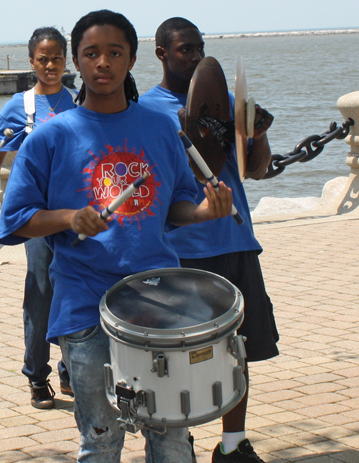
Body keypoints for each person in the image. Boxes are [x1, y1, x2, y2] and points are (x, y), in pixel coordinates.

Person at [0, 9, 234, 463]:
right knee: (102, 440)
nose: (102, 62)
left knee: (170, 437)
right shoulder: (50, 138)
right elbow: (16, 220)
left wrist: (204, 211)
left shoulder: (161, 128)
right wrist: (69, 219)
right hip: (86, 307)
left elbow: (176, 206)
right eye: (91, 53)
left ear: (132, 59)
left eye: (114, 52)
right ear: (77, 62)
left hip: (160, 302)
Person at [139, 17, 279, 463]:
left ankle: (234, 445)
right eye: (184, 50)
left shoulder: (228, 103)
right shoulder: (147, 112)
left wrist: (256, 131)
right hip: (185, 252)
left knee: (238, 351)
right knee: (180, 360)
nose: (195, 56)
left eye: (199, 48)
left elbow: (254, 170)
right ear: (161, 53)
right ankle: (178, 445)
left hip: (237, 242)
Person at [0, 26, 76, 409]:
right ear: (32, 62)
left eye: (57, 58)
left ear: (67, 61)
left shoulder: (79, 103)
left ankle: (71, 368)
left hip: (74, 214)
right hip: (36, 216)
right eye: (43, 59)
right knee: (41, 292)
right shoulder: (20, 105)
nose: (50, 65)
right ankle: (36, 375)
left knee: (76, 289)